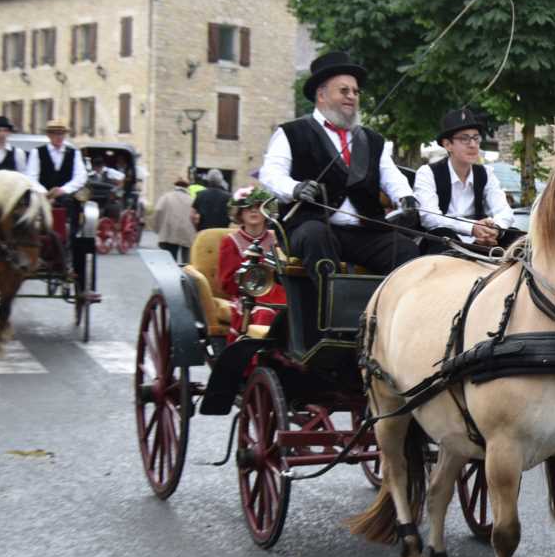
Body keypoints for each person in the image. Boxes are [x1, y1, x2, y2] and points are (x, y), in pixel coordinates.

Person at [259, 50, 420, 281]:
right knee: (317, 237)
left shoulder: (372, 139)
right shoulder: (292, 133)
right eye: (344, 90)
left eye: (355, 91)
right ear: (321, 95)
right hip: (311, 227)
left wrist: (405, 196)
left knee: (406, 251)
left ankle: (384, 314)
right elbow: (271, 174)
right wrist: (294, 188)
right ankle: (328, 314)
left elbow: (390, 175)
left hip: (364, 231)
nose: (352, 96)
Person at [413, 107, 519, 249]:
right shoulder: (427, 173)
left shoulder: (486, 173)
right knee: (442, 235)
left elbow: (504, 210)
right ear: (447, 145)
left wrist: (495, 229)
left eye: (476, 138)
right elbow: (429, 218)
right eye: (464, 139)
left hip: (481, 239)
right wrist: (471, 227)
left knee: (519, 239)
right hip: (445, 242)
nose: (473, 145)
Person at [25, 118, 89, 290]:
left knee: (68, 215)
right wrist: (44, 193)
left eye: (61, 134)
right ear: (49, 135)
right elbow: (31, 176)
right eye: (55, 134)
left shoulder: (73, 153)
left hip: (65, 198)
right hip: (42, 197)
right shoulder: (37, 153)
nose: (58, 137)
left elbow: (80, 176)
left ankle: (67, 252)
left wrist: (62, 190)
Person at [218, 186, 287, 340]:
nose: (254, 211)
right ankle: (257, 356)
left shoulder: (278, 239)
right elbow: (227, 283)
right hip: (248, 297)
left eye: (258, 207)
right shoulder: (230, 242)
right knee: (265, 314)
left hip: (279, 295)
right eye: (248, 207)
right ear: (240, 213)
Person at [152, 179, 196, 263]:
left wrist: (157, 229)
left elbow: (158, 210)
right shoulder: (191, 200)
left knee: (170, 260)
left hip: (169, 231)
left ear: (175, 186)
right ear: (187, 187)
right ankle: (185, 274)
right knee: (186, 261)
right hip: (186, 233)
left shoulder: (166, 197)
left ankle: (172, 274)